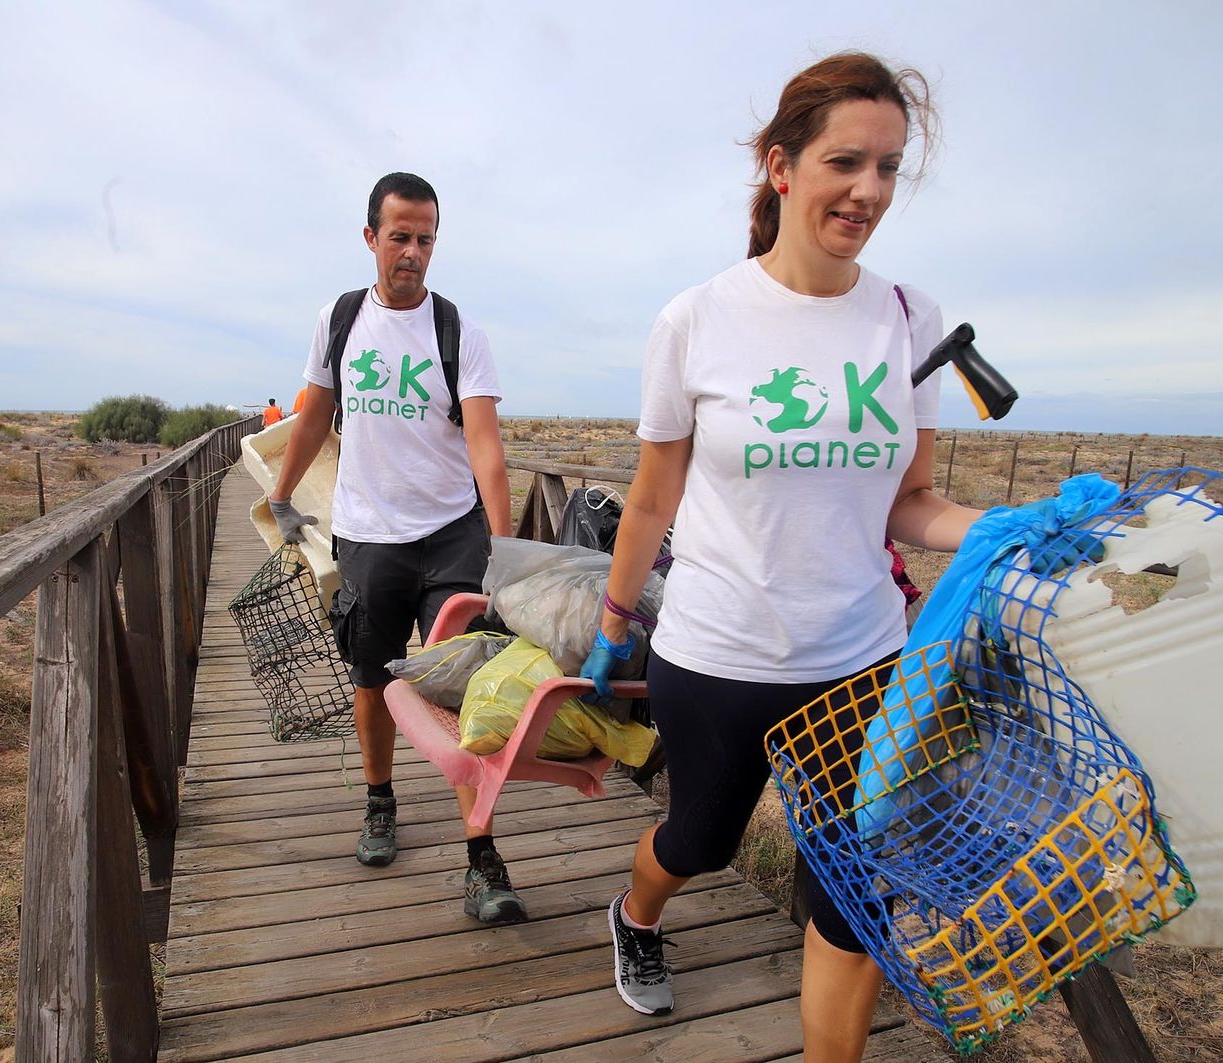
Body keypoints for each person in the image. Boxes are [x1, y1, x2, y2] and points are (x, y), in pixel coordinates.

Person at [582, 53, 985, 1060]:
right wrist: (611, 624)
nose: (869, 190)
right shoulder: (696, 318)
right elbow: (650, 496)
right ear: (780, 167)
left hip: (857, 661)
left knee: (853, 895)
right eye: (846, 162)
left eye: (889, 168)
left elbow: (912, 505)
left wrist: (1007, 529)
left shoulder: (906, 319)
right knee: (701, 839)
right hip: (717, 655)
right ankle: (635, 915)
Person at [266, 172, 524, 923]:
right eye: (400, 236)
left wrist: (502, 551)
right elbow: (314, 416)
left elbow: (487, 448)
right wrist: (282, 496)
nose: (412, 253)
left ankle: (482, 853)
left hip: (451, 536)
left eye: (425, 239)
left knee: (461, 686)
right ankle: (380, 800)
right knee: (372, 675)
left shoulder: (458, 331)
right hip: (369, 536)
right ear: (371, 236)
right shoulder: (339, 320)